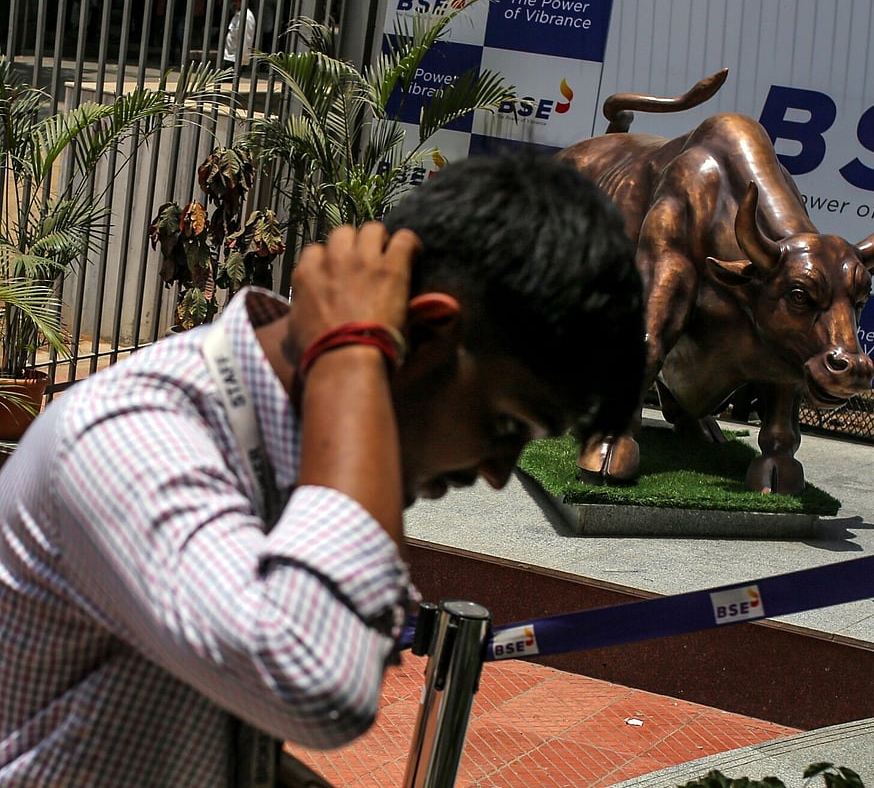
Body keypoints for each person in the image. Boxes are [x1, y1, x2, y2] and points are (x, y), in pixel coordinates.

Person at [0, 153, 646, 785]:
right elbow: (314, 678)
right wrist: (352, 353)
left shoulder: (263, 438)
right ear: (421, 339)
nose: (498, 473)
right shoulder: (135, 436)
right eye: (505, 426)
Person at [223, 0, 255, 69]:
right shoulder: (238, 15)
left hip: (236, 59)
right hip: (230, 56)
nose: (234, 3)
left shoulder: (246, 17)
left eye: (236, 1)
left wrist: (241, 60)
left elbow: (246, 40)